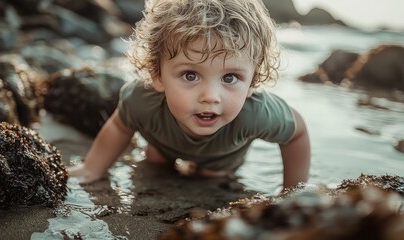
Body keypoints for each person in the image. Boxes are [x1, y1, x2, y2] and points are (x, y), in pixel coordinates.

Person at [69, 0, 311, 189]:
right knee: (154, 162)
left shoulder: (256, 113)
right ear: (158, 75)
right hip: (163, 146)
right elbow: (120, 126)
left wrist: (292, 192)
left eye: (230, 78)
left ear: (251, 83)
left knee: (211, 179)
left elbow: (295, 134)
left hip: (221, 160)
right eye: (190, 75)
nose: (210, 96)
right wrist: (93, 168)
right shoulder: (142, 100)